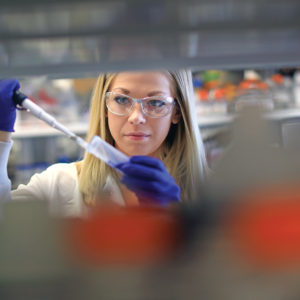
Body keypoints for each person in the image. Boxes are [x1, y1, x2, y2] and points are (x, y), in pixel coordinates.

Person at [0, 70, 208, 217]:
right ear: (105, 106)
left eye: (155, 103)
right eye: (122, 100)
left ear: (177, 112)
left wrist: (179, 221)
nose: (137, 117)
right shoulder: (59, 184)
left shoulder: (209, 194)